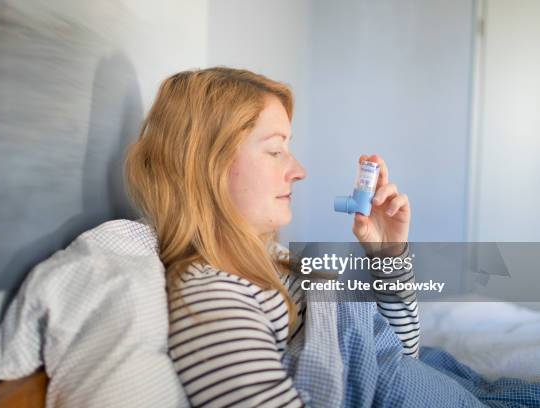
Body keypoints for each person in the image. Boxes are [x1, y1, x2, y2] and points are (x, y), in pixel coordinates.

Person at [124, 67, 418, 407]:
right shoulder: (215, 302)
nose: (299, 171)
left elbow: (399, 359)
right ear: (207, 164)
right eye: (276, 151)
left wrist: (389, 255)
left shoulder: (273, 260)